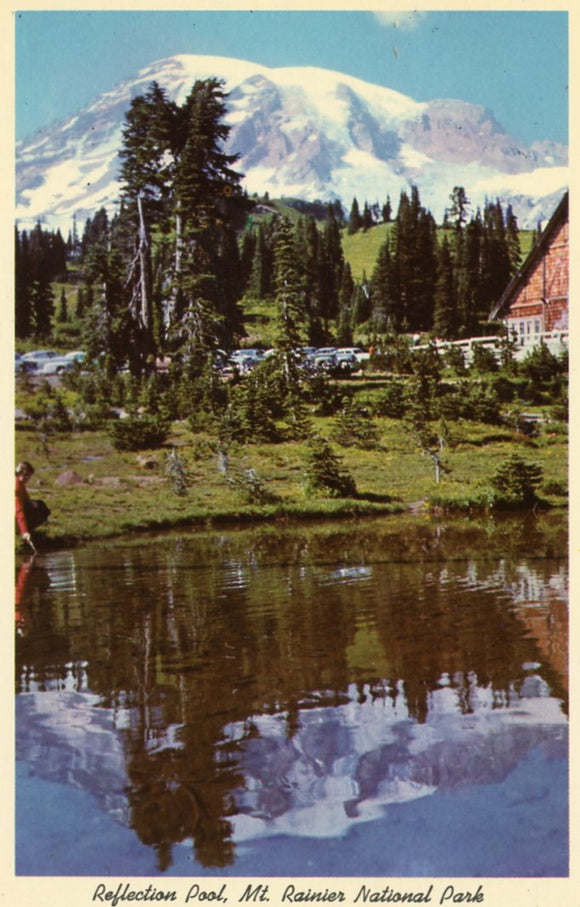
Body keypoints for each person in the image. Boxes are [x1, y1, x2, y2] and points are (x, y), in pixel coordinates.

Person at [15, 461, 50, 549]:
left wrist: (32, 503)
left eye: (28, 476)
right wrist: (25, 532)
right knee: (39, 511)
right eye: (25, 475)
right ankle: (22, 531)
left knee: (41, 505)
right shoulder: (15, 487)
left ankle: (25, 530)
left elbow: (26, 497)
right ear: (19, 473)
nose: (27, 478)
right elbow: (19, 512)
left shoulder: (20, 483)